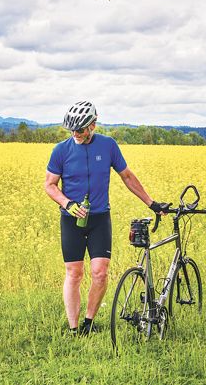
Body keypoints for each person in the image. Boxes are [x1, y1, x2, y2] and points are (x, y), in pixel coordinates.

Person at [44, 101, 169, 335]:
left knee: (100, 272)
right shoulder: (61, 150)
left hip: (100, 217)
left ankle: (89, 323)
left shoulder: (108, 146)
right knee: (74, 272)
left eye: (80, 129)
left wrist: (151, 203)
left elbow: (128, 177)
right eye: (71, 130)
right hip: (71, 219)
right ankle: (73, 328)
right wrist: (67, 204)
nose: (75, 134)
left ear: (93, 125)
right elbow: (50, 185)